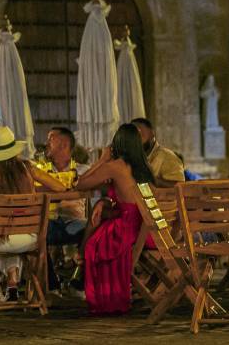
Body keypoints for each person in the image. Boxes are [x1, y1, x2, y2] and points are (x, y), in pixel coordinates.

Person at [0, 126, 65, 302]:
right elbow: (60, 187)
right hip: (29, 239)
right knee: (8, 237)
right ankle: (12, 280)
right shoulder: (28, 167)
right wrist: (31, 190)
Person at [76, 123, 155, 315]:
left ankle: (104, 297)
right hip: (146, 228)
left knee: (94, 244)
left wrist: (102, 159)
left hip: (127, 228)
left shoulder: (115, 166)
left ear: (117, 144)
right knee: (98, 223)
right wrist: (104, 201)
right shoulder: (144, 166)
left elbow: (80, 184)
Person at [39, 127, 89, 293]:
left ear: (63, 144)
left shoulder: (84, 171)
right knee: (35, 233)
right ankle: (51, 284)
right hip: (49, 223)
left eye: (50, 140)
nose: (46, 144)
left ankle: (80, 279)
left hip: (74, 222)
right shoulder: (39, 171)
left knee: (93, 230)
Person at [131, 117, 185, 187]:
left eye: (140, 133)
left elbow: (180, 187)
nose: (136, 138)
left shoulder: (168, 157)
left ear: (152, 133)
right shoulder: (130, 157)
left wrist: (154, 180)